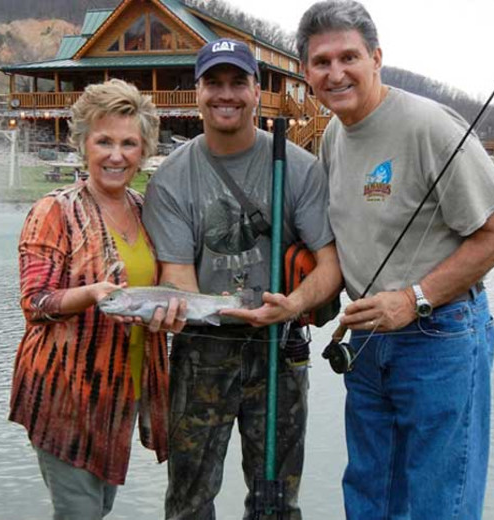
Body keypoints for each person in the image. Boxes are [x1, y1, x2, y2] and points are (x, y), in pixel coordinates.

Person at [296, 2, 494, 519]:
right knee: (369, 496)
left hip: (438, 338)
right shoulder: (334, 134)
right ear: (306, 73)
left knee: (436, 503)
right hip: (368, 341)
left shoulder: (428, 125)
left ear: (376, 58)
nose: (336, 73)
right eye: (321, 62)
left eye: (348, 56)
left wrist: (413, 299)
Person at [142, 39, 342, 520]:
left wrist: (293, 304)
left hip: (280, 345)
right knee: (188, 500)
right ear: (197, 92)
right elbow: (176, 277)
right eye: (214, 82)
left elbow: (331, 265)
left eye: (238, 82)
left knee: (276, 502)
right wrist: (202, 309)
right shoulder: (170, 179)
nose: (225, 94)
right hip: (202, 350)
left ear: (257, 91)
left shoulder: (300, 168)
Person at [9, 79, 184, 519]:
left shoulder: (148, 209)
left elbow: (161, 289)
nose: (116, 155)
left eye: (129, 143)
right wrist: (90, 294)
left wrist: (169, 315)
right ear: (83, 144)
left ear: (143, 151)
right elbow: (35, 302)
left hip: (122, 393)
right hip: (64, 395)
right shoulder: (55, 210)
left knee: (97, 507)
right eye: (104, 141)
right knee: (80, 512)